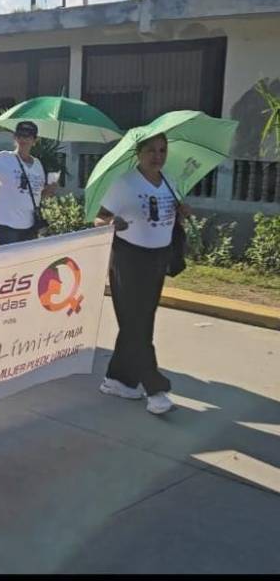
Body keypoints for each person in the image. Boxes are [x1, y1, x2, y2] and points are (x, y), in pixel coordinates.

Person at [93, 132, 190, 415]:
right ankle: (155, 390)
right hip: (129, 259)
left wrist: (182, 212)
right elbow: (100, 218)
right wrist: (112, 223)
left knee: (140, 322)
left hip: (158, 259)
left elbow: (169, 218)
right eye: (151, 150)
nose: (157, 156)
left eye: (162, 150)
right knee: (137, 325)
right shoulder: (124, 183)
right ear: (138, 154)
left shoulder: (170, 181)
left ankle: (117, 380)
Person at [0, 120, 57, 245]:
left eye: (28, 136)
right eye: (20, 135)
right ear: (15, 137)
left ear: (34, 140)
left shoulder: (37, 164)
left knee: (26, 258)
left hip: (30, 226)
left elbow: (36, 196)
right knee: (10, 257)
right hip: (6, 226)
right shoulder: (4, 158)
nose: (23, 139)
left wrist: (49, 191)